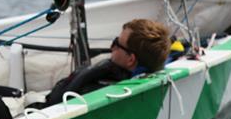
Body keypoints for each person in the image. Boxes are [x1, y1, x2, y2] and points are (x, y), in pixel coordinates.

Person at [34, 19, 171, 108]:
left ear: (131, 59)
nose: (112, 47)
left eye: (117, 43)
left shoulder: (95, 91)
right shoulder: (153, 72)